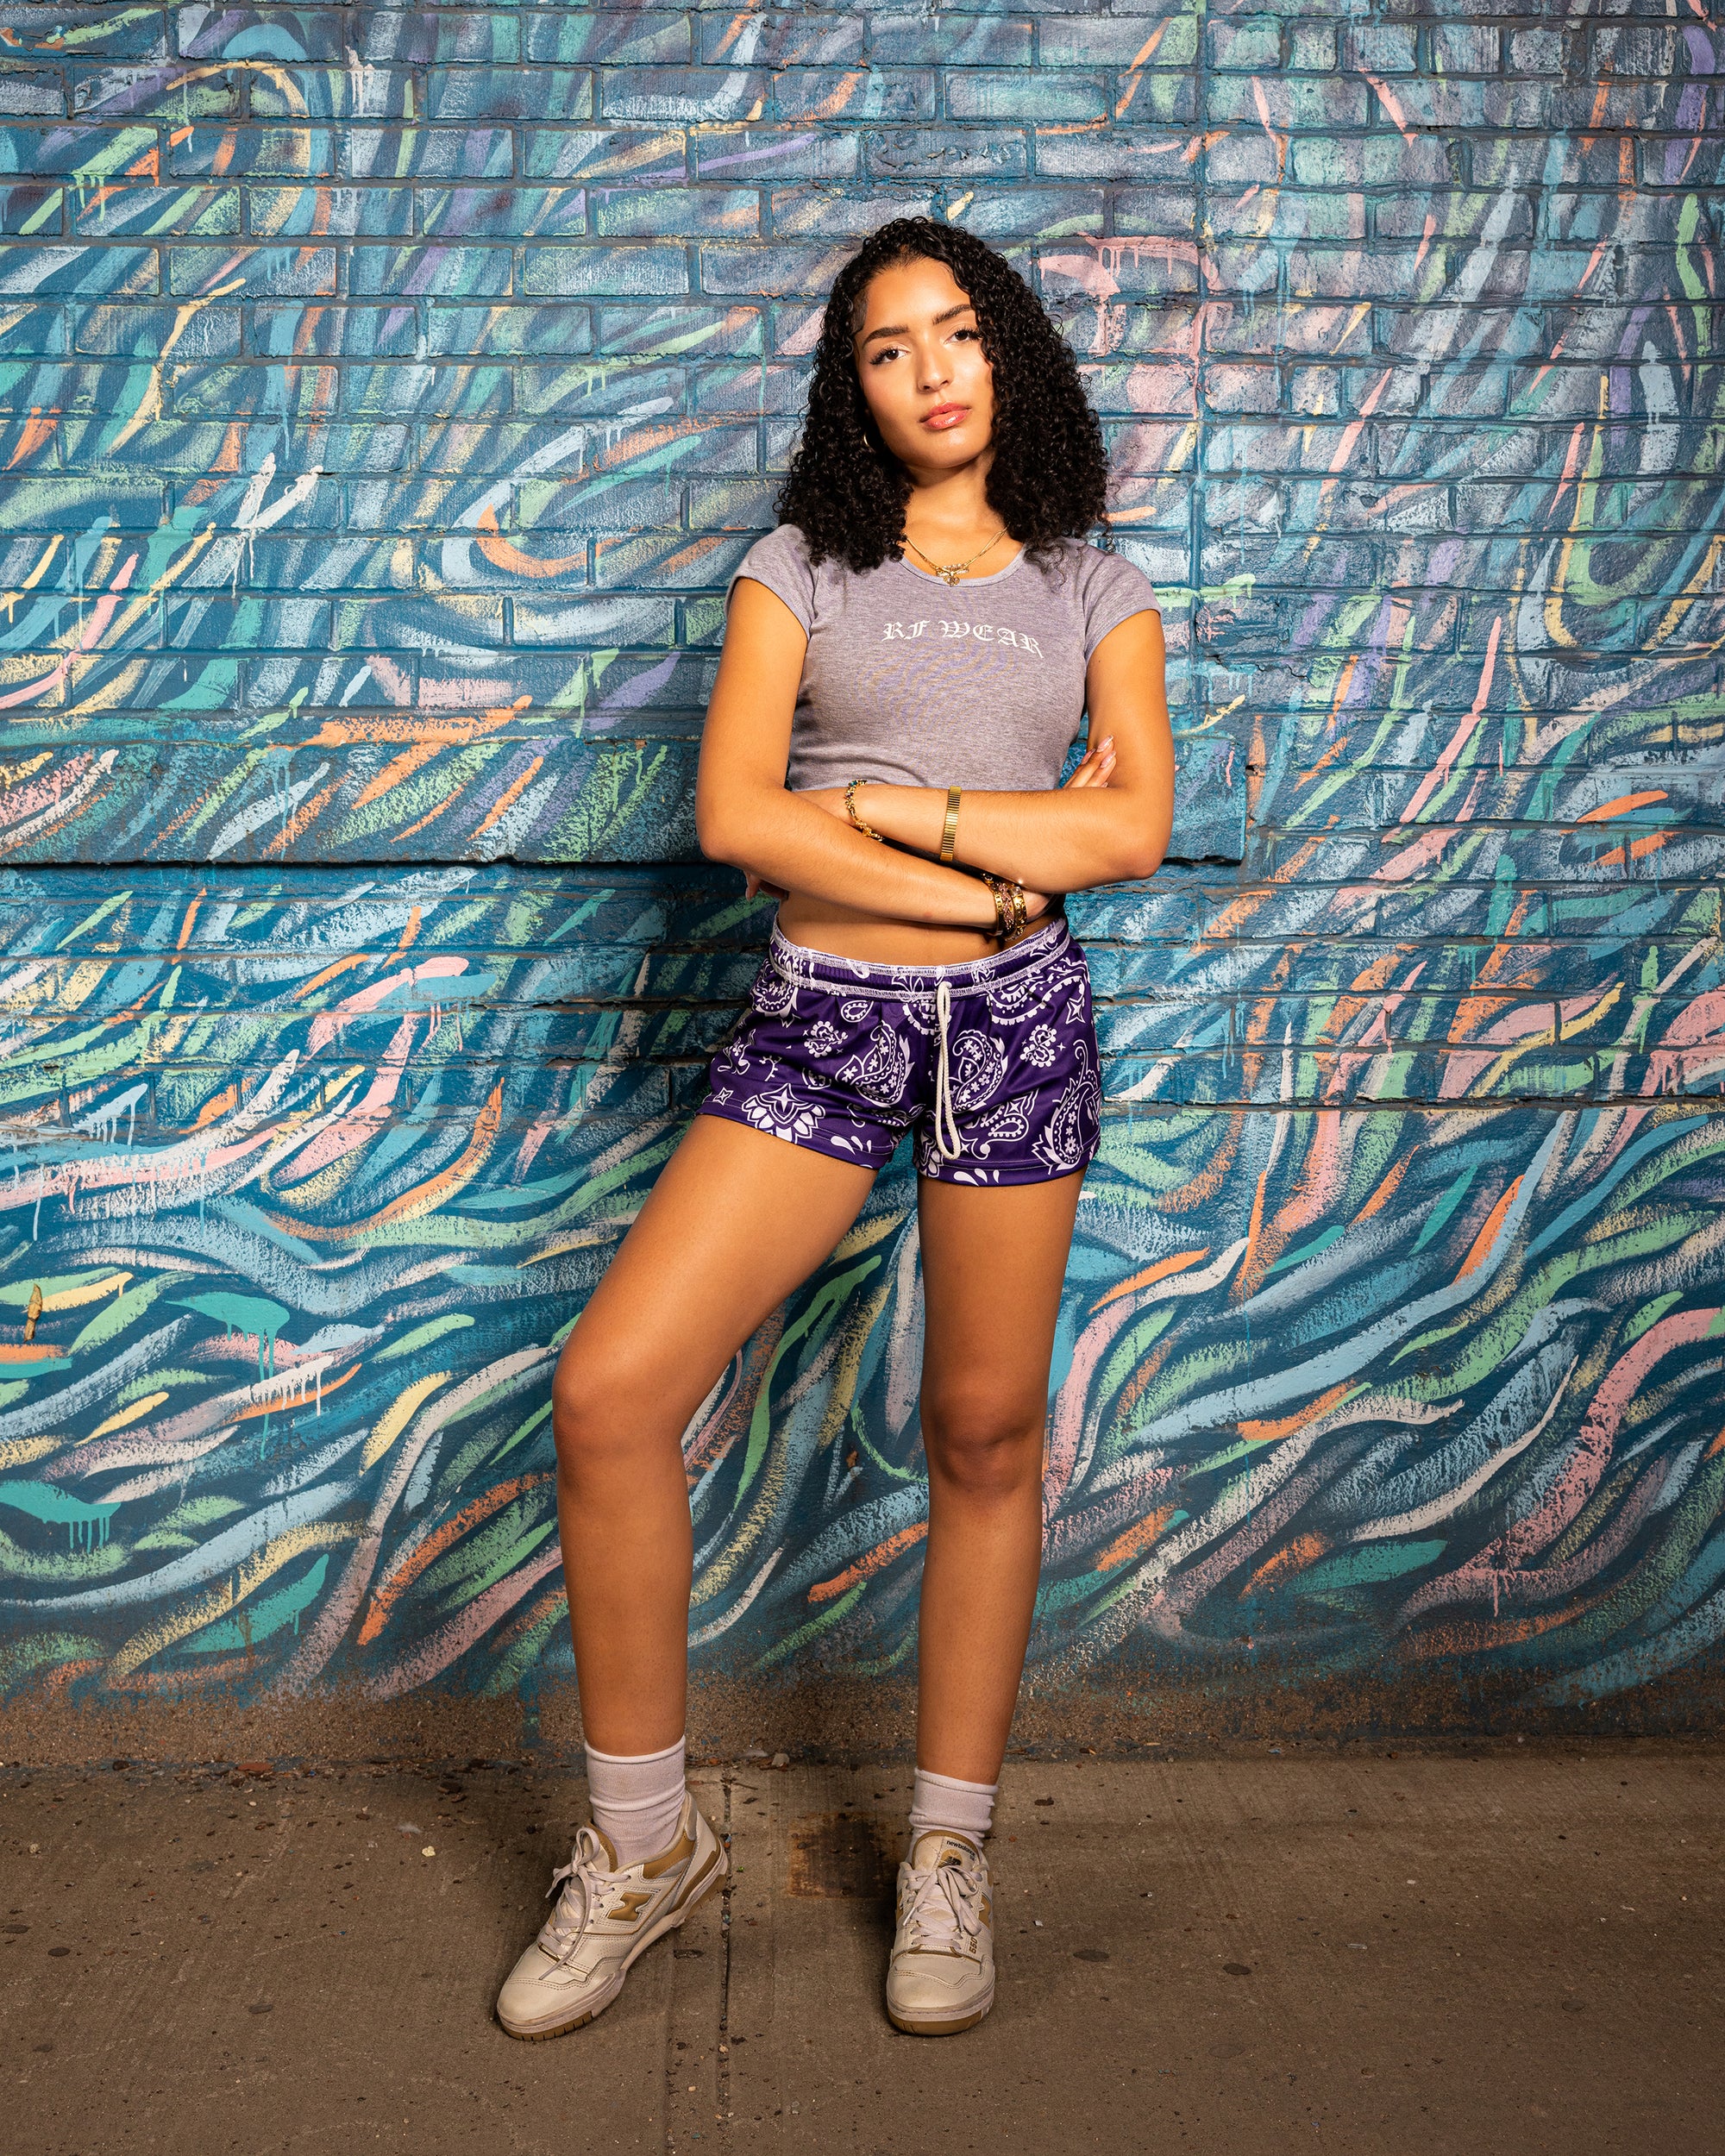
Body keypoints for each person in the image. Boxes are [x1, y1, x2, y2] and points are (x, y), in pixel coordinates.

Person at [496, 217, 1174, 2041]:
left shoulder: (1092, 588)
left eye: (961, 333)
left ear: (1009, 356)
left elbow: (1124, 836)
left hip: (1019, 1036)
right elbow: (736, 811)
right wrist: (989, 843)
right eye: (890, 347)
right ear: (850, 387)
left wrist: (894, 803)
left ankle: (948, 1849)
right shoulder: (798, 567)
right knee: (613, 1388)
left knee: (980, 1427)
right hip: (820, 1025)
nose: (933, 367)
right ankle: (643, 1843)